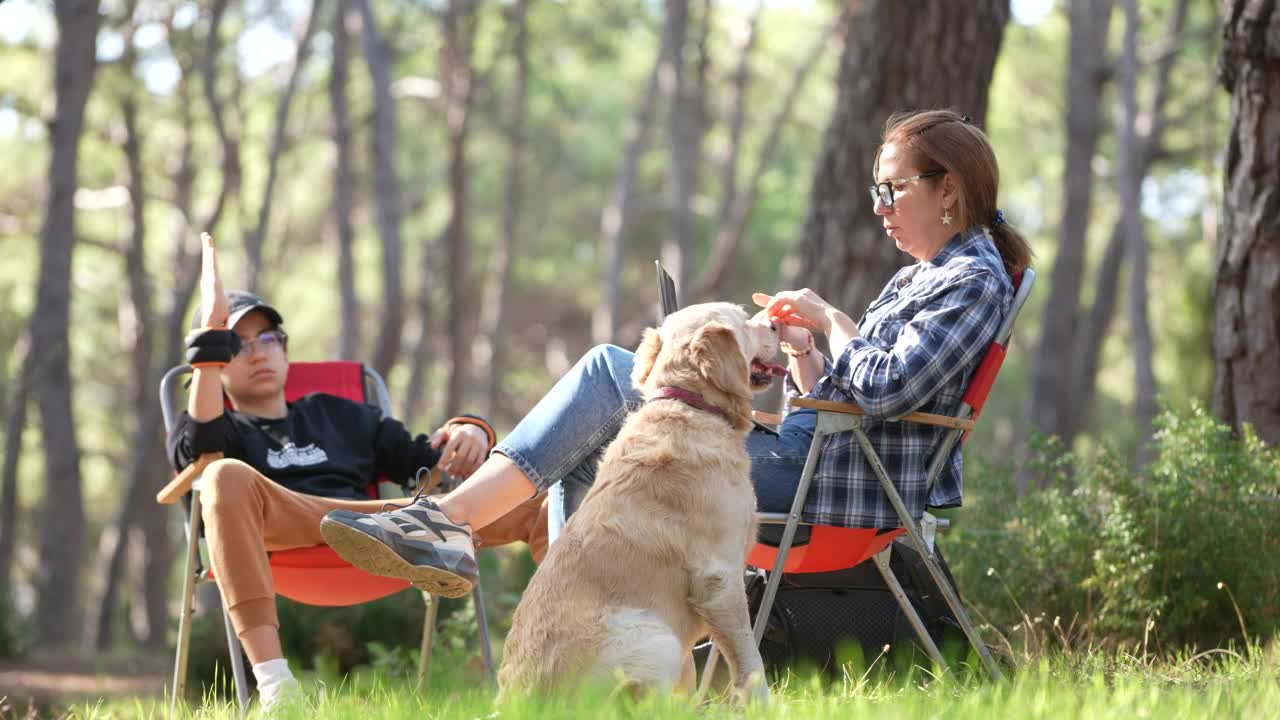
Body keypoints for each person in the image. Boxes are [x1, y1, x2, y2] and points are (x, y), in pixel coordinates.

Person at [321, 108, 1032, 601]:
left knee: (608, 373)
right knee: (597, 447)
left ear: (949, 190)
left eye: (892, 188)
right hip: (809, 461)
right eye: (875, 190)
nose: (878, 206)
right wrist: (808, 352)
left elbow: (883, 392)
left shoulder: (970, 279)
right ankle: (580, 626)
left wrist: (833, 317)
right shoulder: (922, 276)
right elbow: (844, 397)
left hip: (834, 493)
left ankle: (449, 526)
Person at [168, 236, 547, 709]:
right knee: (221, 476)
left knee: (539, 506)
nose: (258, 353)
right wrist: (209, 344)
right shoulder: (220, 428)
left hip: (380, 526)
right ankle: (276, 688)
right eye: (236, 346)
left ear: (286, 349)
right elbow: (203, 453)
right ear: (218, 364)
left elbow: (424, 465)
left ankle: (586, 649)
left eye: (268, 339)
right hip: (280, 527)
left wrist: (469, 431)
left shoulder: (340, 412)